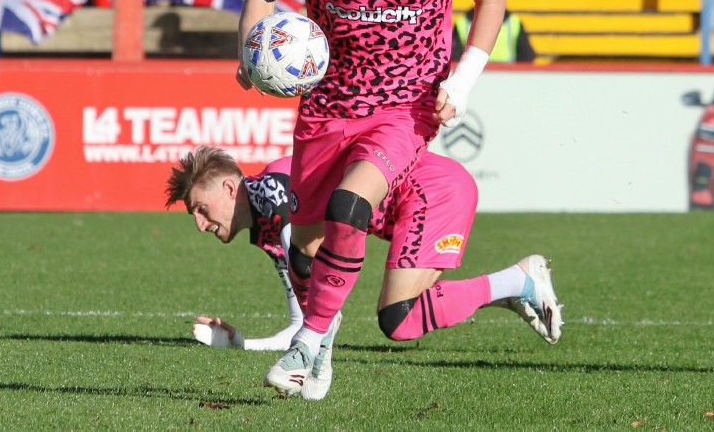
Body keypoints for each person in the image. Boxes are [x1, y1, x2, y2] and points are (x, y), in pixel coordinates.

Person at [236, 0, 512, 397]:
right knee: (306, 252)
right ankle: (321, 352)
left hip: (404, 110)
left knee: (350, 205)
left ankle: (306, 343)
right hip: (326, 109)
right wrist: (251, 54)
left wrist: (462, 81)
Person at [164, 146, 562, 401]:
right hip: (414, 205)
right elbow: (307, 323)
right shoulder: (269, 230)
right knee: (399, 320)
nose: (199, 224)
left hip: (431, 192)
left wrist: (315, 356)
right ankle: (514, 285)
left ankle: (520, 280)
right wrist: (242, 345)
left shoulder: (271, 189)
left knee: (397, 318)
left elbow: (320, 310)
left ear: (230, 189)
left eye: (200, 208)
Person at [453, 9, 536, 63]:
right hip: (506, 77)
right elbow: (527, 56)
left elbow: (527, 56)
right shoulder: (514, 22)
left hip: (473, 77)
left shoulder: (462, 22)